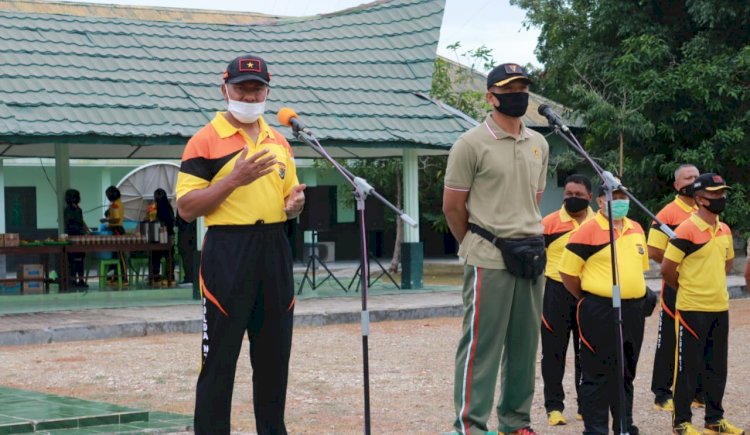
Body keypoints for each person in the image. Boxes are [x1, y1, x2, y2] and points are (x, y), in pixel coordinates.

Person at [175, 54, 306, 435]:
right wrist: (235, 179)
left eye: (257, 89)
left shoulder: (279, 140)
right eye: (241, 89)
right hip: (228, 249)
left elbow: (288, 194)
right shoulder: (204, 141)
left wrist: (295, 205)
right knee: (219, 359)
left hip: (274, 247)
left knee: (273, 357)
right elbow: (186, 208)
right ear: (225, 90)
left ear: (267, 91)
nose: (249, 98)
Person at [443, 62, 548, 435]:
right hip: (489, 256)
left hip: (532, 254)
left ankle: (516, 421)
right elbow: (453, 207)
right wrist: (472, 242)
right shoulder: (470, 144)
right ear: (490, 96)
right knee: (482, 346)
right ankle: (470, 425)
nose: (518, 94)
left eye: (523, 87)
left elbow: (532, 199)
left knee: (524, 345)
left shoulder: (539, 143)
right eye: (508, 88)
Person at [557, 182, 649, 435]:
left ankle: (624, 425)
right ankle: (596, 429)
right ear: (598, 201)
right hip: (599, 309)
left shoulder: (637, 228)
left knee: (626, 371)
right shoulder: (587, 231)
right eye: (613, 196)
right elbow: (567, 273)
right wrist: (589, 296)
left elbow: (640, 268)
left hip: (633, 310)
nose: (619, 201)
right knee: (597, 374)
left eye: (623, 196)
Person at [661, 173, 744, 435]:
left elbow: (728, 264)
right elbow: (667, 269)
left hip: (720, 307)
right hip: (692, 308)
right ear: (699, 198)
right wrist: (687, 289)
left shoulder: (725, 229)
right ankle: (681, 422)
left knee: (716, 366)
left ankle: (714, 419)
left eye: (722, 193)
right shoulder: (685, 229)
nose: (720, 198)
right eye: (715, 193)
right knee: (687, 367)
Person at [646, 164, 703, 412]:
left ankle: (695, 391)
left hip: (700, 285)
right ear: (677, 186)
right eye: (688, 178)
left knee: (699, 335)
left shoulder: (706, 209)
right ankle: (662, 393)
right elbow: (654, 250)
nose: (693, 181)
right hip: (675, 283)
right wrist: (676, 267)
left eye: (697, 177)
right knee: (669, 336)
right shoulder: (667, 214)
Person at [540, 174, 594, 426]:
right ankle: (554, 407)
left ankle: (587, 405)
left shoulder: (600, 224)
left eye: (578, 195)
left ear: (590, 197)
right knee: (554, 351)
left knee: (589, 352)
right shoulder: (549, 223)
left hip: (588, 294)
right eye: (568, 195)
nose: (572, 199)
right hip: (556, 292)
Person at [63, 188, 90, 289]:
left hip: (77, 238)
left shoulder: (77, 209)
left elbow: (81, 222)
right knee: (76, 260)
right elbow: (72, 224)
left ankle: (79, 280)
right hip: (74, 237)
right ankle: (75, 279)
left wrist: (86, 230)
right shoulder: (71, 210)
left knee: (78, 260)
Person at [149, 188, 175, 286]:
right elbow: (171, 222)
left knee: (155, 254)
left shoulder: (155, 208)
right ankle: (170, 276)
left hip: (158, 236)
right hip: (169, 235)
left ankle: (155, 276)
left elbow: (152, 220)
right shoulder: (169, 208)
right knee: (169, 256)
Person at [102, 185, 127, 286]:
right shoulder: (118, 203)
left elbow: (116, 220)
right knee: (116, 255)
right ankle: (116, 277)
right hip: (117, 230)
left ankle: (124, 278)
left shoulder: (115, 205)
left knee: (120, 255)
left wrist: (106, 220)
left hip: (117, 230)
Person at [175, 210, 197, 284]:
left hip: (186, 236)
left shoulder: (182, 206)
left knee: (187, 258)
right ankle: (190, 277)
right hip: (191, 236)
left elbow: (177, 222)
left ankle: (189, 277)